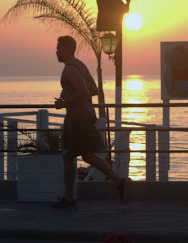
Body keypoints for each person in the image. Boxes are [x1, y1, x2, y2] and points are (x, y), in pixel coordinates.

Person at [52, 35, 130, 209]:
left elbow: (85, 91)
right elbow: (92, 90)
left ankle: (69, 198)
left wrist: (64, 102)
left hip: (76, 119)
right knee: (87, 155)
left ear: (65, 49)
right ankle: (119, 183)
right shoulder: (80, 65)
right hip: (87, 116)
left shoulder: (69, 70)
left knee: (68, 156)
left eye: (58, 49)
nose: (55, 52)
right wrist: (70, 94)